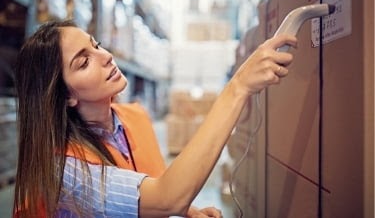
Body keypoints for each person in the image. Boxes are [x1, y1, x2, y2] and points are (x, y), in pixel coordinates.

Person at [13, 20, 296, 217]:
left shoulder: (131, 117)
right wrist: (238, 86)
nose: (106, 56)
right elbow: (166, 196)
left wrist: (186, 210)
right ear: (65, 96)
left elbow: (150, 185)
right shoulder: (65, 171)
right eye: (84, 62)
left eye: (96, 45)